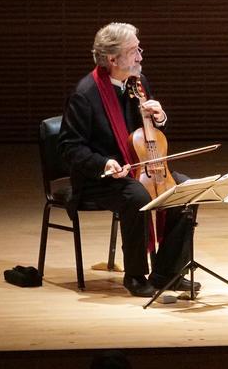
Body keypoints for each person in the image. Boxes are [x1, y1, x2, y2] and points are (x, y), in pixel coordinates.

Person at [59, 22, 197, 297]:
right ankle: (135, 275)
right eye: (134, 51)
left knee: (187, 192)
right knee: (137, 197)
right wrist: (103, 164)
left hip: (141, 168)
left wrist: (160, 118)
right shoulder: (85, 94)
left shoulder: (138, 83)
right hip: (100, 178)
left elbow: (150, 137)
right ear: (112, 59)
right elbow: (69, 147)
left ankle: (167, 272)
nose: (140, 56)